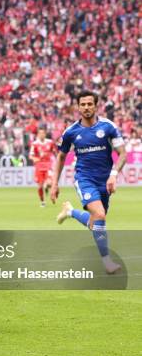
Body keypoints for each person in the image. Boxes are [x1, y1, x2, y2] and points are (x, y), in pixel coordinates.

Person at [50, 90, 127, 274]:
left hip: (105, 181)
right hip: (84, 179)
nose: (86, 107)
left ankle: (70, 212)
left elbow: (122, 153)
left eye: (89, 104)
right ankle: (107, 262)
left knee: (95, 223)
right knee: (99, 215)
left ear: (95, 105)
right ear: (78, 107)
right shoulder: (71, 132)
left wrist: (114, 174)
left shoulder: (108, 127)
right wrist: (54, 183)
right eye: (82, 104)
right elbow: (61, 157)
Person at [29, 128, 56, 207]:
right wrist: (35, 159)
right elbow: (30, 156)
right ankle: (42, 201)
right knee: (40, 186)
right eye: (40, 133)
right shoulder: (35, 144)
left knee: (50, 183)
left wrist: (55, 161)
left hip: (48, 166)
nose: (41, 135)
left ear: (45, 134)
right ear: (38, 135)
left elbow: (54, 152)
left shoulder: (50, 142)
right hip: (39, 167)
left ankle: (48, 188)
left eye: (43, 133)